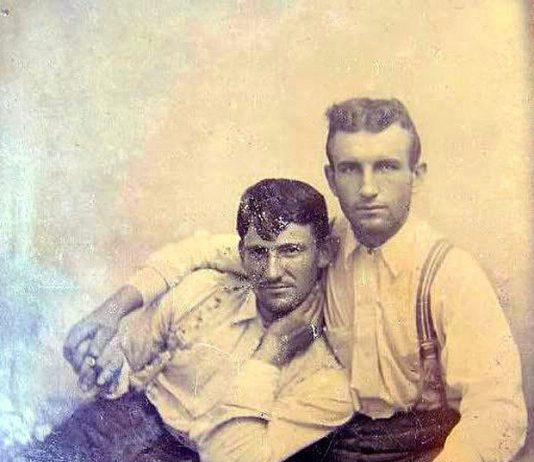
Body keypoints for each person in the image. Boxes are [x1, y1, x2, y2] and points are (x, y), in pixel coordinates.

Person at [65, 98, 527, 462]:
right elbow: (208, 251)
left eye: (386, 166)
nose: (368, 188)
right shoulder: (320, 244)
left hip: (417, 441)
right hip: (327, 436)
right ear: (332, 177)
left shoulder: (449, 274)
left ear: (416, 176)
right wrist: (112, 311)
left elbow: (498, 411)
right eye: (350, 169)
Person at [24, 179, 353, 462]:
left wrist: (271, 353)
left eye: (291, 250)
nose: (272, 272)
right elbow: (129, 364)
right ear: (241, 254)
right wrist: (109, 369)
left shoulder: (328, 378)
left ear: (324, 252)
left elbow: (231, 457)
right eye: (258, 252)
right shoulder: (205, 291)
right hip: (124, 418)